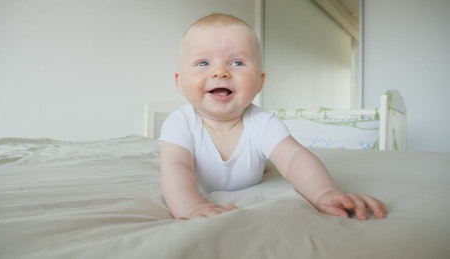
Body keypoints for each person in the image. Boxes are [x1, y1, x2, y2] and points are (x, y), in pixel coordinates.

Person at [159, 13, 387, 220]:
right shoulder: (180, 123)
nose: (220, 72)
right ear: (180, 82)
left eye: (237, 62)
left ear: (260, 81)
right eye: (203, 63)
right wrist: (189, 206)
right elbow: (176, 167)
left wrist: (324, 193)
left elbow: (294, 158)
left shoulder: (262, 122)